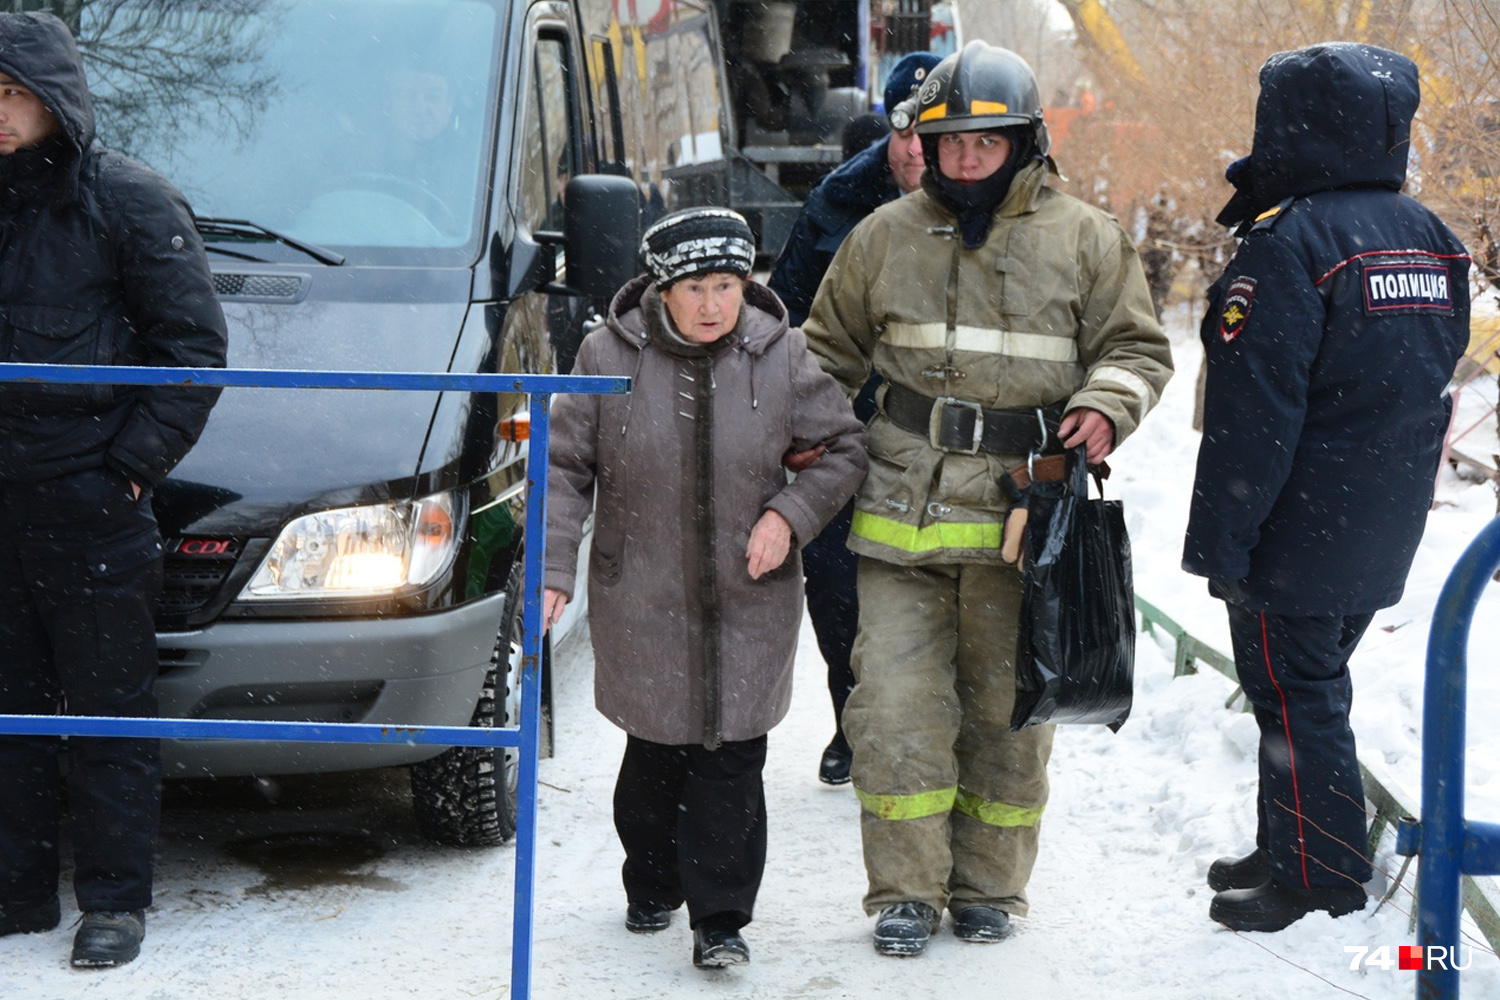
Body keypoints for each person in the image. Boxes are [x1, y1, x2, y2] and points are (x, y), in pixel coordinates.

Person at [802, 41, 1172, 956]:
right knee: (891, 714)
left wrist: (1104, 405)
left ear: (1026, 141)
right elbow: (822, 355)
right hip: (899, 522)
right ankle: (903, 892)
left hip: (1022, 526)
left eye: (986, 143)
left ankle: (989, 891)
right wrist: (789, 439)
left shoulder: (1086, 239)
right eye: (949, 142)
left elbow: (1136, 348)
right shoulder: (880, 236)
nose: (965, 160)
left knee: (1009, 719)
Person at [1183, 43, 1470, 934]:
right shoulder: (1431, 239)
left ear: (1292, 125)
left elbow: (1254, 417)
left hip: (1295, 526)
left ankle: (1321, 874)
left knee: (1296, 698)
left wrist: (1223, 542)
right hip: (1377, 520)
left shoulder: (1290, 243)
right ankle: (1289, 844)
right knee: (1304, 689)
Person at [542, 208, 866, 968]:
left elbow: (844, 449)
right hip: (642, 591)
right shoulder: (604, 354)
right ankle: (652, 881)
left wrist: (789, 515)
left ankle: (721, 918)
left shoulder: (783, 355)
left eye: (729, 284)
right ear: (662, 288)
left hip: (748, 595)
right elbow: (563, 471)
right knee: (656, 755)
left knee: (730, 756)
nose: (716, 303)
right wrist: (554, 571)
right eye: (697, 286)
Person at [0, 12, 228, 969]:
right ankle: (14, 893)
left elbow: (192, 353)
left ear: (55, 98)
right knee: (9, 715)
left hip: (91, 505)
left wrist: (124, 472)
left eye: (12, 94)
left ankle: (114, 902)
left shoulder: (126, 200)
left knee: (106, 716)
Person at [768, 50, 939, 786]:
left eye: (932, 135)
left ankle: (929, 732)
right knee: (837, 593)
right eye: (904, 131)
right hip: (844, 437)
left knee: (933, 592)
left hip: (941, 441)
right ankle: (852, 718)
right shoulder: (837, 200)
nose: (915, 152)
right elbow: (784, 314)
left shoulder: (986, 197)